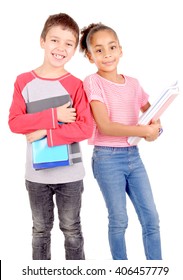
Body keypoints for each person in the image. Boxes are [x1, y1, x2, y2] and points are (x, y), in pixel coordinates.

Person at [8, 13, 93, 260]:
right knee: (40, 231)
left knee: (72, 230)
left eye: (69, 43)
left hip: (70, 174)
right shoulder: (24, 81)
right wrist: (54, 115)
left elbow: (85, 128)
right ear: (42, 41)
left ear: (75, 48)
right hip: (36, 175)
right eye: (55, 40)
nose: (61, 48)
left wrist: (45, 132)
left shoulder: (76, 85)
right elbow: (15, 123)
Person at [79, 23, 162, 260]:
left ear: (121, 50)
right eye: (99, 50)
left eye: (111, 48)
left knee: (151, 218)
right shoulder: (93, 82)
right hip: (107, 158)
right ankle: (120, 270)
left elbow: (152, 113)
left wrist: (156, 129)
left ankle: (156, 269)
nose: (107, 55)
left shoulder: (133, 83)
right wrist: (143, 130)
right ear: (90, 56)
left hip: (134, 156)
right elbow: (104, 125)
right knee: (119, 220)